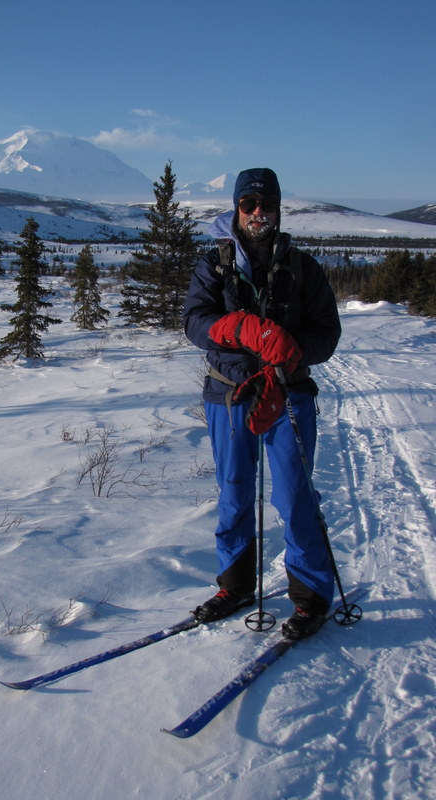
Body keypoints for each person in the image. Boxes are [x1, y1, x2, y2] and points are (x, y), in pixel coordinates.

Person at [183, 167, 341, 639]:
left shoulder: (303, 268)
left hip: (288, 394)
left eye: (265, 205)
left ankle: (310, 598)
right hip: (228, 393)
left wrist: (293, 350)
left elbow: (327, 333)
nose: (257, 213)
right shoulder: (214, 264)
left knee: (294, 495)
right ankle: (234, 586)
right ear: (236, 208)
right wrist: (240, 327)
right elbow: (194, 321)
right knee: (233, 492)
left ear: (277, 209)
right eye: (248, 204)